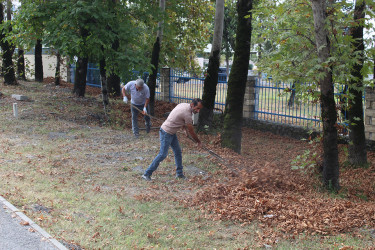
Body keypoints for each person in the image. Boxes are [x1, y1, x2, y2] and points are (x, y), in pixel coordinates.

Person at [142, 98, 203, 181]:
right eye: (198, 108)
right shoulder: (187, 114)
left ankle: (179, 174)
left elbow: (179, 118)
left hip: (171, 133)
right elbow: (191, 131)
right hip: (166, 132)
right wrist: (198, 141)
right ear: (192, 105)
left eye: (200, 109)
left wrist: (184, 129)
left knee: (178, 152)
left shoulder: (183, 105)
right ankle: (147, 174)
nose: (198, 111)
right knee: (162, 154)